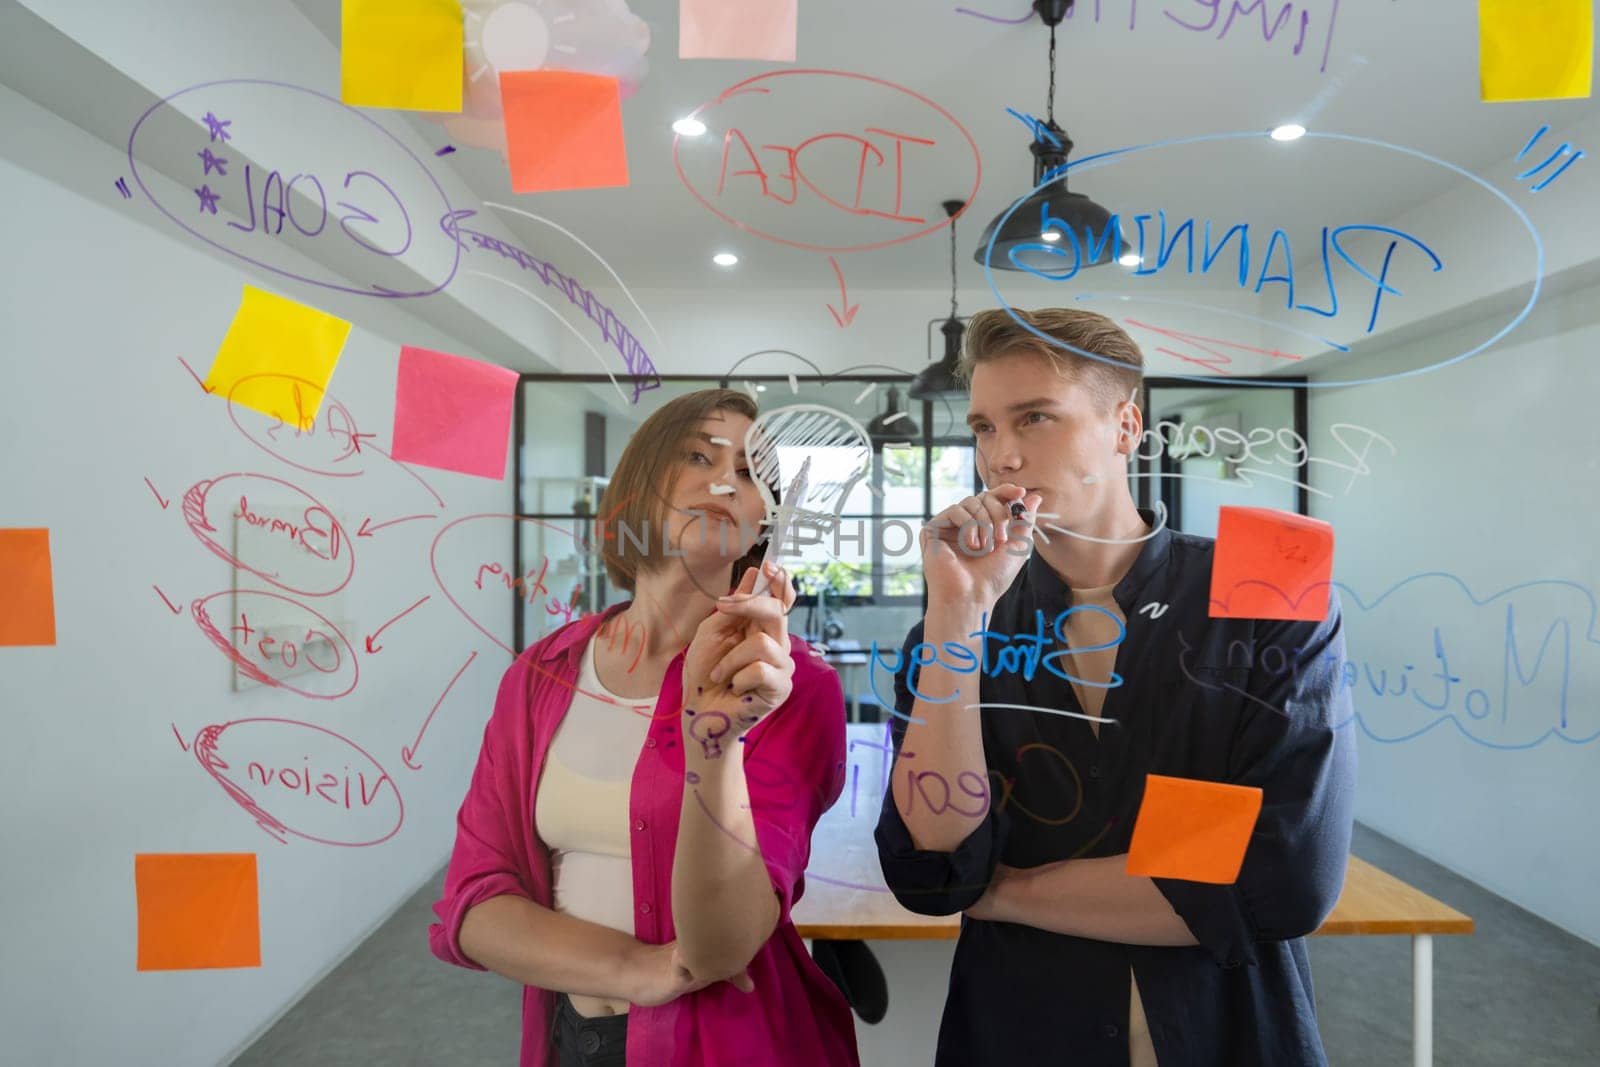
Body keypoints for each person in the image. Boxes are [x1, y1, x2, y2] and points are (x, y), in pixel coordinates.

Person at [874, 308, 1357, 1066]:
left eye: (1034, 418)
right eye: (983, 427)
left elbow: (1281, 877)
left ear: (1126, 426)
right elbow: (932, 864)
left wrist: (997, 889)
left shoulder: (1265, 583)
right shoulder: (954, 634)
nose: (1000, 456)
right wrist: (958, 616)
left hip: (1227, 1031)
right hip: (1019, 1034)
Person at [429, 389, 858, 1067]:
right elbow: (475, 903)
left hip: (733, 1043)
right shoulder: (543, 672)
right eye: (697, 455)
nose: (723, 481)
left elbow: (722, 947)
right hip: (569, 1037)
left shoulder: (790, 688)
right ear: (638, 486)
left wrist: (713, 739)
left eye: (749, 475)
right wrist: (639, 969)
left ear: (761, 523)